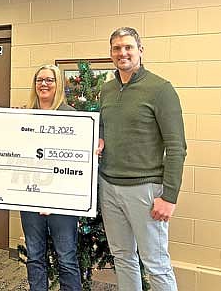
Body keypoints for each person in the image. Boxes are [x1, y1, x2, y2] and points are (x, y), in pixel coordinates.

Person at [97, 27, 187, 291]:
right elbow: (104, 126)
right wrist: (101, 138)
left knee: (156, 263)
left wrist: (169, 196)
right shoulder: (108, 90)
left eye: (128, 47)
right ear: (111, 53)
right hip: (110, 187)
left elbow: (177, 146)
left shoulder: (160, 89)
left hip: (145, 190)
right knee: (123, 258)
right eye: (116, 48)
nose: (122, 53)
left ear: (140, 51)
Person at [20, 64, 82, 291]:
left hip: (62, 202)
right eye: (39, 80)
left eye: (49, 80)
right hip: (30, 199)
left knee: (66, 259)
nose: (44, 84)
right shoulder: (24, 116)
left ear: (58, 85)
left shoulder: (72, 117)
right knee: (35, 257)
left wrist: (52, 197)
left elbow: (75, 164)